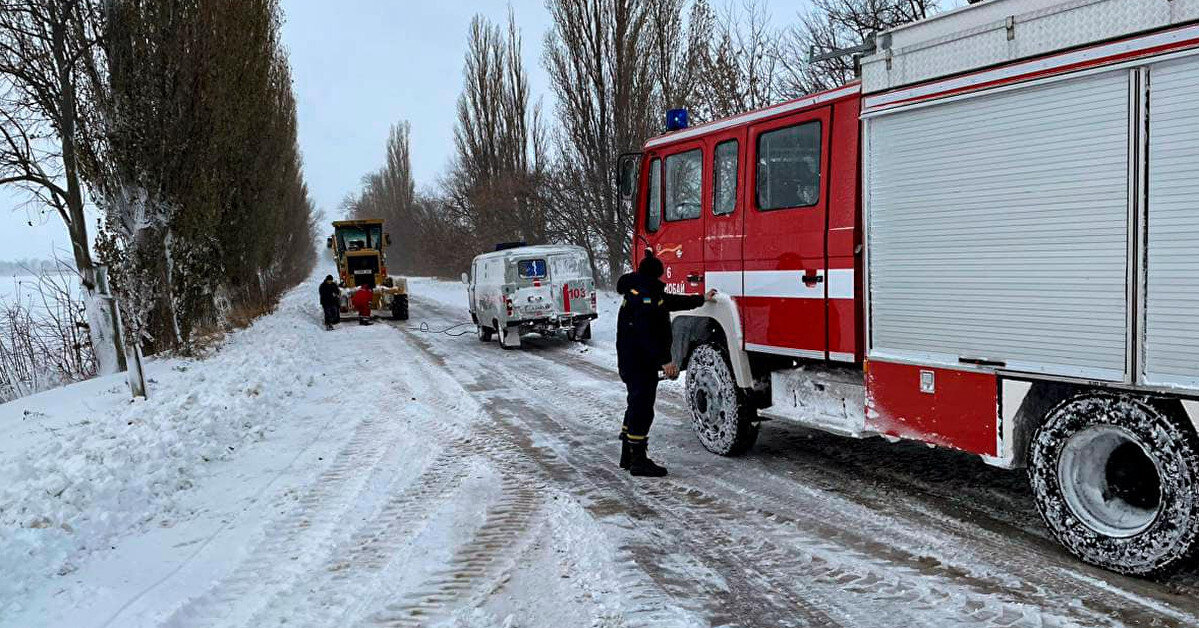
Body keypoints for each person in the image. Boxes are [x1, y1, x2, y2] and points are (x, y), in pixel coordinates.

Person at [616, 250, 716, 477]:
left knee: (635, 404)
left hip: (632, 360)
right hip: (640, 362)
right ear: (656, 274)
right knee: (642, 409)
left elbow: (669, 302)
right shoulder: (644, 296)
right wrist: (666, 361)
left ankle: (628, 454)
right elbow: (648, 333)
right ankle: (638, 461)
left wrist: (701, 299)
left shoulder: (639, 290)